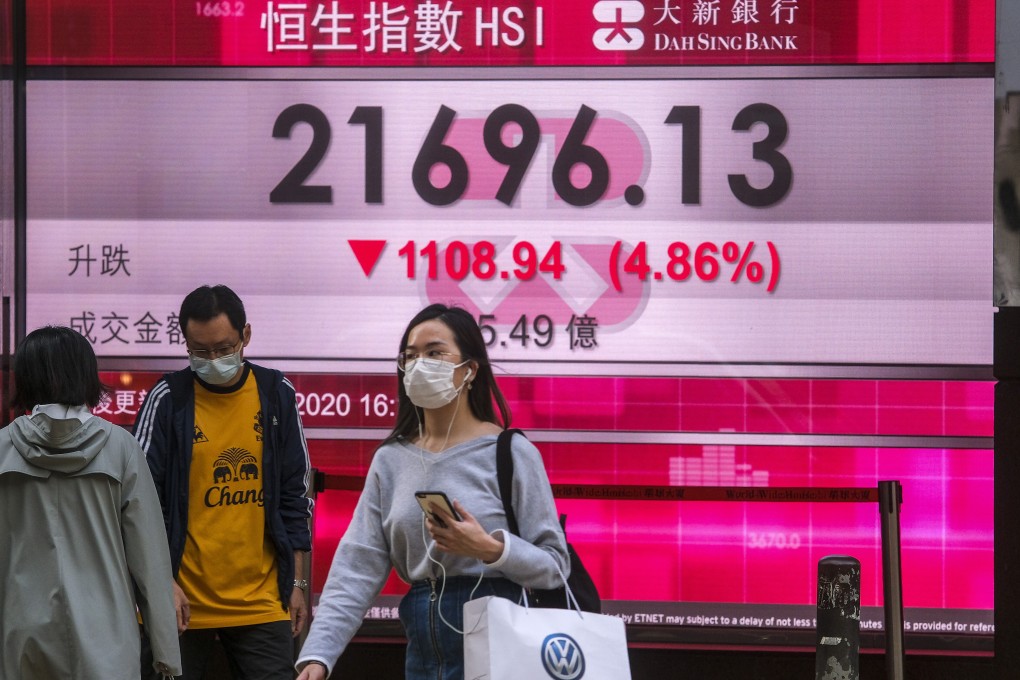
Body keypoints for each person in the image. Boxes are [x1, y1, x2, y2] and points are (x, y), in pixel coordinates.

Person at [295, 303, 570, 680]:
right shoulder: (391, 459)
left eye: (435, 353)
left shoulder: (511, 452)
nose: (419, 364)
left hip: (503, 644)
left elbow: (555, 564)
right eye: (410, 356)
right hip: (423, 646)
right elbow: (355, 569)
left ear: (470, 369)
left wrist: (490, 548)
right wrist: (318, 655)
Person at [133, 284, 313, 679]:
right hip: (179, 600)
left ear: (245, 336)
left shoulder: (275, 394)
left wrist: (298, 582)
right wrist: (159, 584)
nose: (213, 359)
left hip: (261, 601)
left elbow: (294, 497)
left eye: (223, 348)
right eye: (199, 351)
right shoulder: (168, 399)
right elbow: (137, 502)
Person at [0, 326, 181, 679]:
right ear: (85, 374)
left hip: (21, 633)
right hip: (108, 638)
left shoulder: (3, 449)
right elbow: (150, 560)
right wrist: (166, 655)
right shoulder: (120, 448)